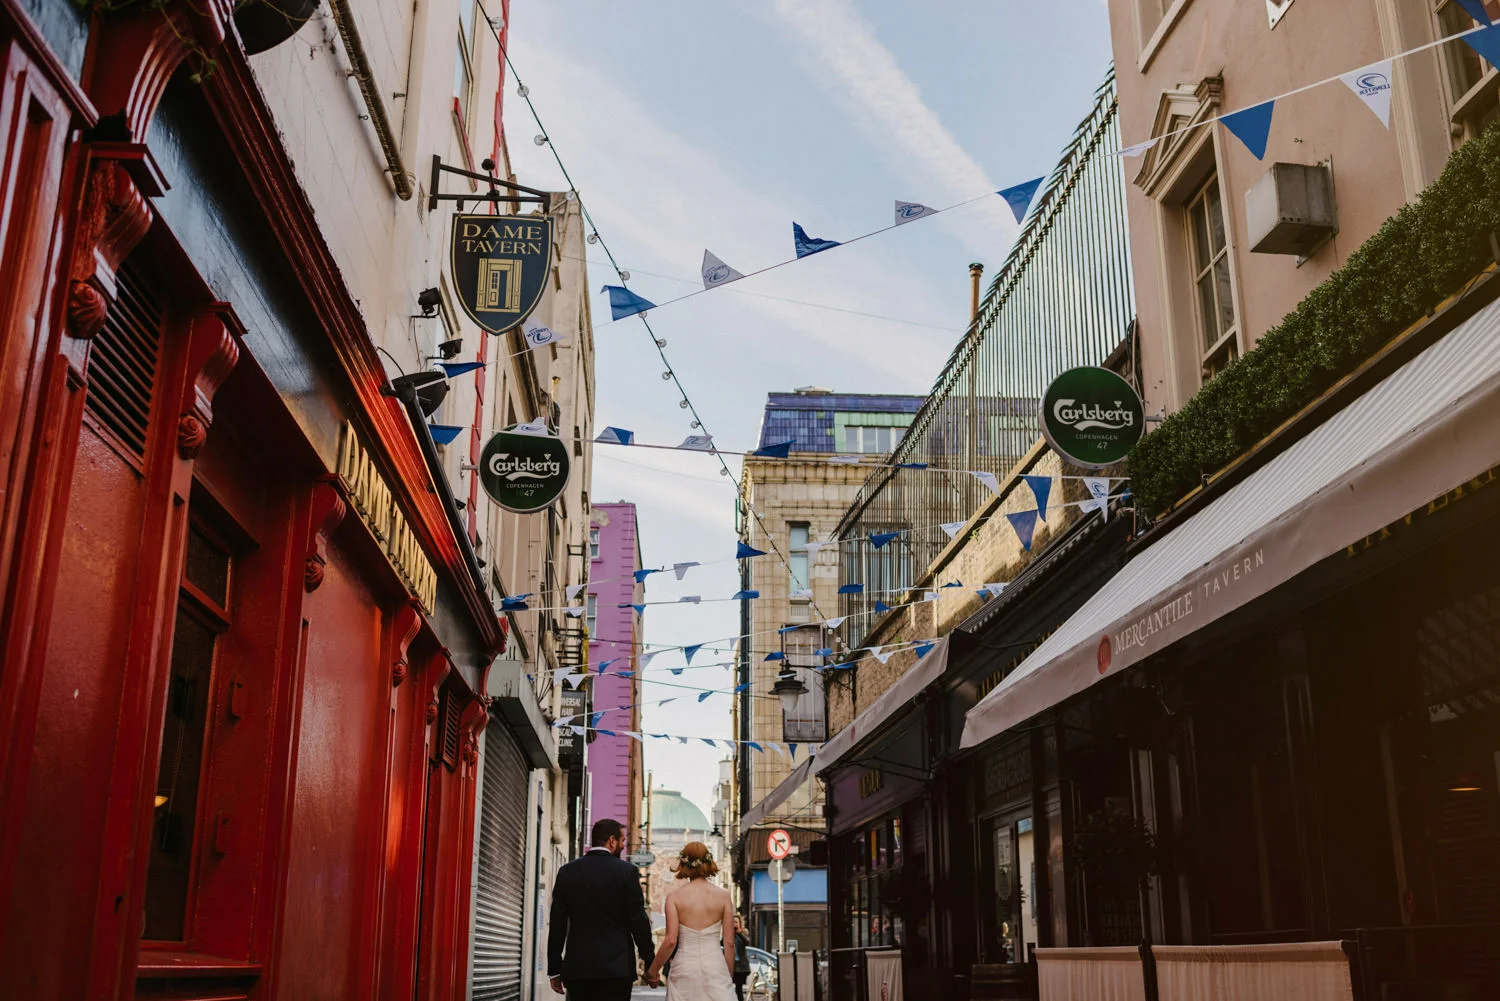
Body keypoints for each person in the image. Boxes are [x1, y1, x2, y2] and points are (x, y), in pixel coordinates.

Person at [547, 818, 655, 1000]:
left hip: (578, 969)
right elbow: (638, 921)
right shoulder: (626, 872)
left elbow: (557, 923)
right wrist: (650, 962)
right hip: (617, 969)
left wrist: (554, 969)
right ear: (612, 841)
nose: (622, 846)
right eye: (622, 841)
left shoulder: (567, 872)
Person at [646, 842, 736, 1001]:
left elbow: (670, 940)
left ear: (684, 863)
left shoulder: (674, 898)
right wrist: (726, 975)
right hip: (715, 965)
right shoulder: (723, 896)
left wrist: (653, 971)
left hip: (684, 967)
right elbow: (729, 943)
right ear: (708, 862)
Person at [731, 916, 751, 1001]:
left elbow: (747, 943)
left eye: (736, 922)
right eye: (733, 922)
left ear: (739, 924)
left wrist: (739, 933)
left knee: (738, 989)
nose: (734, 924)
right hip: (733, 966)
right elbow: (722, 943)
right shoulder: (729, 933)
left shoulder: (743, 933)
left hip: (742, 967)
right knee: (731, 989)